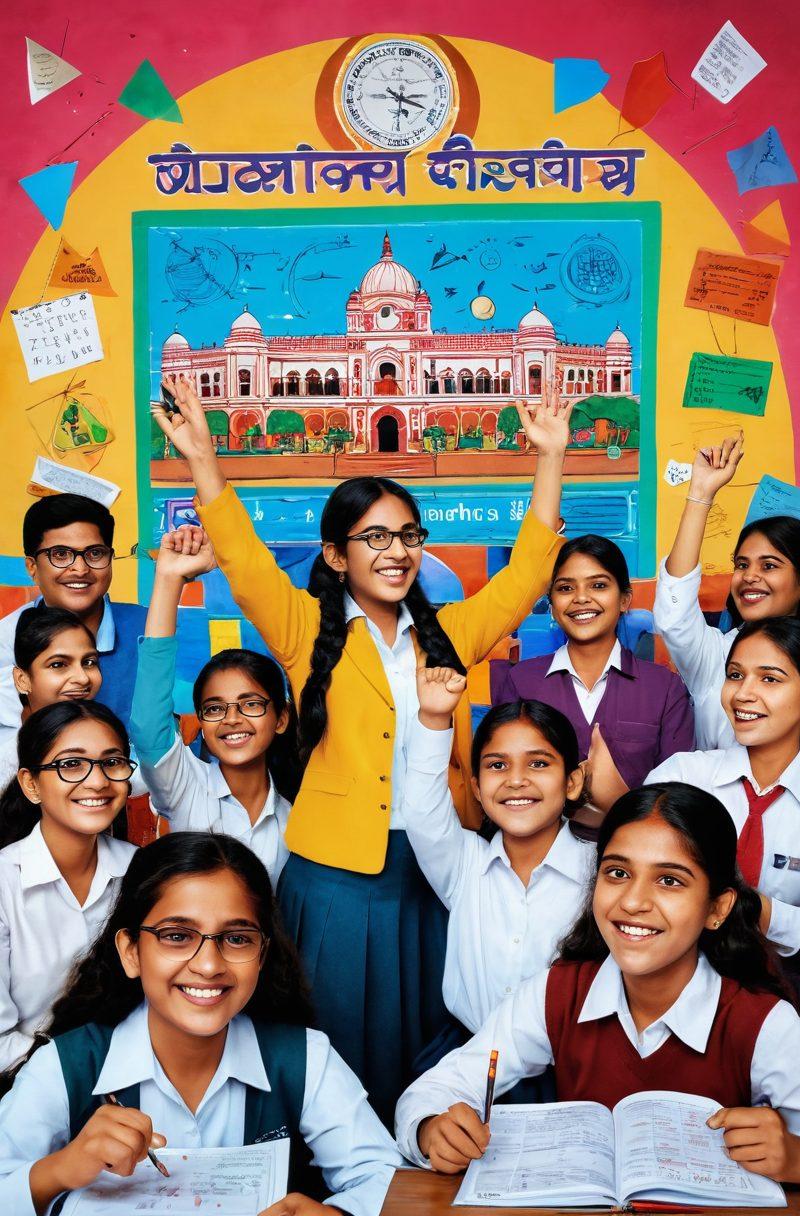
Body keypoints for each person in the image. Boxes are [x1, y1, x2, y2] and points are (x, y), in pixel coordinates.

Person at [151, 373, 571, 1128]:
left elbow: (528, 575)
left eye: (409, 536)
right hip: (334, 881)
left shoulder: (448, 633)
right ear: (337, 555)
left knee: (429, 1047)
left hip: (433, 875)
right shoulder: (307, 629)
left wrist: (551, 457)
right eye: (375, 537)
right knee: (332, 1057)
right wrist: (205, 460)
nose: (397, 551)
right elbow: (244, 563)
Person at [394, 784, 800, 1188]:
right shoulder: (557, 992)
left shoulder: (762, 1024)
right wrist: (433, 1128)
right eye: (617, 873)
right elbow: (432, 1093)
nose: (633, 902)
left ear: (717, 908)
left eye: (670, 880)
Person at [0, 833, 402, 1216]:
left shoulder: (305, 1059)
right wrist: (58, 1170)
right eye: (177, 936)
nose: (209, 966)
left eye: (237, 939)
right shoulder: (64, 1067)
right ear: (131, 952)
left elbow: (387, 1179)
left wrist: (335, 1212)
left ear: (262, 954)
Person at [646, 617, 800, 1048]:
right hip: (669, 993)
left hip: (782, 1007)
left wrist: (754, 908)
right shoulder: (683, 776)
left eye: (770, 678)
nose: (744, 693)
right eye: (735, 675)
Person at [405, 668, 591, 1036]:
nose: (516, 779)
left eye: (538, 763)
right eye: (497, 765)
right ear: (476, 787)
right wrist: (434, 718)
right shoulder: (463, 864)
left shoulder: (600, 870)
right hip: (468, 1053)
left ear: (572, 782)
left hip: (565, 1061)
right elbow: (421, 809)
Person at [130, 524, 301, 888]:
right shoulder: (185, 785)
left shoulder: (299, 816)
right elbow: (147, 723)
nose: (232, 719)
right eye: (214, 708)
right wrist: (169, 579)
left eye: (250, 703)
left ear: (282, 717)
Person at [491, 535, 694, 810]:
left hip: (634, 848)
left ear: (624, 599)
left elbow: (677, 796)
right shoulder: (521, 682)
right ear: (551, 604)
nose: (581, 598)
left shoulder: (665, 689)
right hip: (542, 848)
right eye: (565, 588)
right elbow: (502, 776)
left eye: (598, 585)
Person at [653, 432, 800, 748]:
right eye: (742, 564)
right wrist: (701, 493)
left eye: (769, 566)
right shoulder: (716, 656)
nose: (750, 576)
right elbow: (674, 612)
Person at [0, 701, 136, 1073]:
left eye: (112, 762)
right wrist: (83, 1077)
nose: (97, 781)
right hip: (22, 1086)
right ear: (31, 785)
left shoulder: (143, 871)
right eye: (70, 764)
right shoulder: (4, 883)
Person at [0, 494, 146, 747]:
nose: (80, 569)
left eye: (95, 553)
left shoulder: (153, 628)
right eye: (60, 554)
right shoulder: (6, 640)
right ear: (32, 567)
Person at [0, 607, 101, 790]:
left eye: (89, 662)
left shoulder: (113, 745)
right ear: (22, 680)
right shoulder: (7, 763)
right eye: (58, 664)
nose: (83, 678)